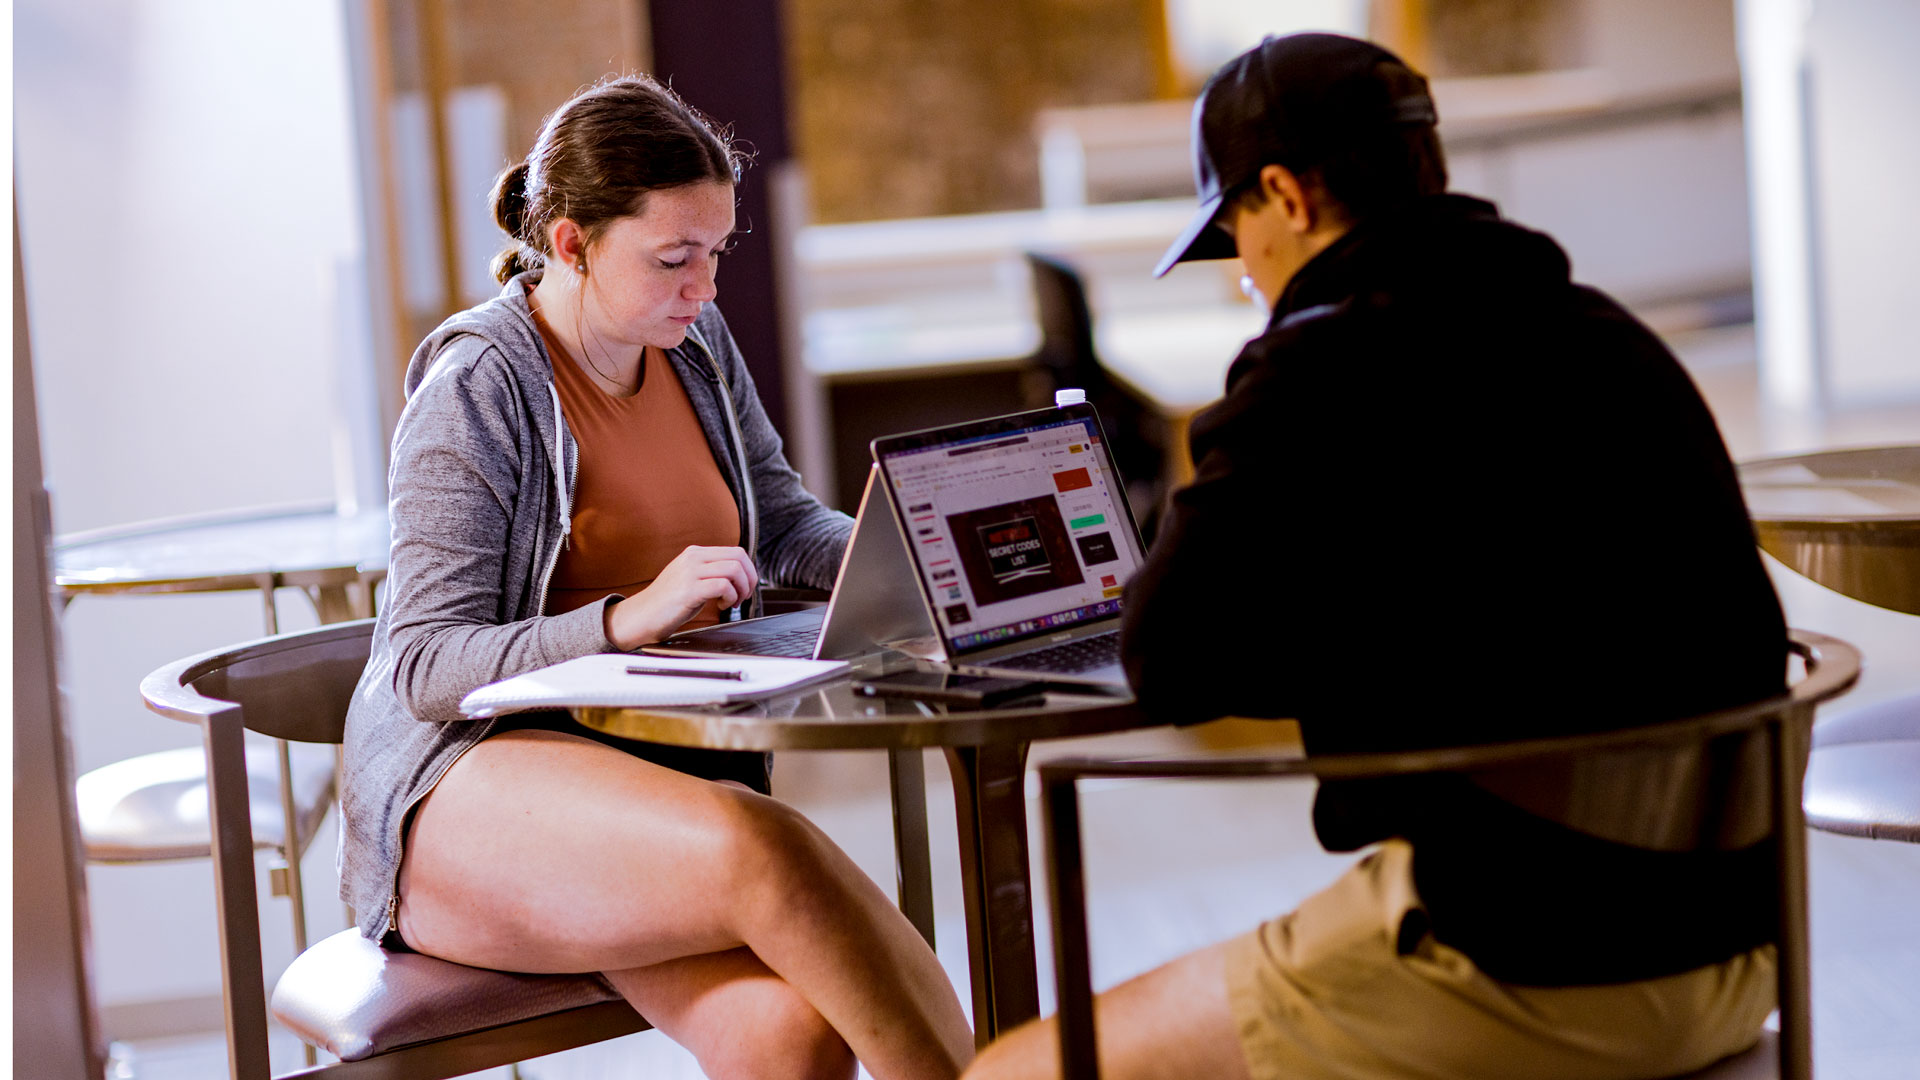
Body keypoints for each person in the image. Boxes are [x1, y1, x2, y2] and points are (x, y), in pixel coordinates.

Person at [965, 33, 1789, 1080]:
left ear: (1286, 196)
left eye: (1239, 237)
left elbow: (1166, 655)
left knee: (1010, 1074)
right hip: (1743, 948)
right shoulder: (1611, 336)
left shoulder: (1321, 366)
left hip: (1530, 964)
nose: (1247, 278)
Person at [339, 75, 973, 1080]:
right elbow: (424, 665)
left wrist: (908, 553)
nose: (705, 286)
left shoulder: (695, 344)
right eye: (675, 257)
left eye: (716, 253)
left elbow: (778, 521)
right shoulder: (480, 386)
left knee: (791, 1039)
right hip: (469, 795)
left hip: (648, 782)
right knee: (770, 852)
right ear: (572, 244)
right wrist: (626, 619)